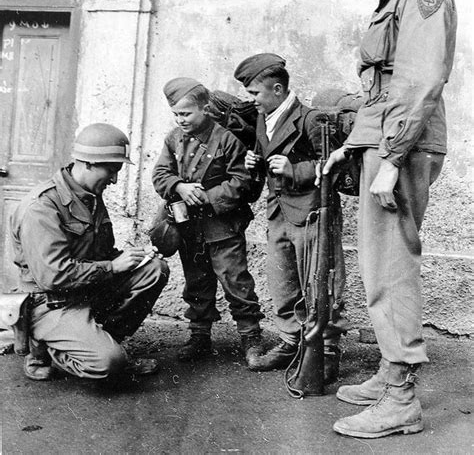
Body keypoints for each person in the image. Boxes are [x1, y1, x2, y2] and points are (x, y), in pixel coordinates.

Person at [323, 0, 457, 438]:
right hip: (385, 142)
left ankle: (401, 398)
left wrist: (393, 158)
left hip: (405, 145)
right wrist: (354, 147)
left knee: (391, 267)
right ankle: (389, 372)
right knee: (381, 263)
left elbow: (421, 81)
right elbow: (381, 88)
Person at [10, 123, 169, 381]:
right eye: (112, 170)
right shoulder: (41, 207)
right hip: (52, 304)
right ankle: (50, 350)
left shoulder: (90, 196)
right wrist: (113, 267)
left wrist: (134, 259)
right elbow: (53, 276)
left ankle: (98, 343)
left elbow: (100, 254)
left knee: (154, 270)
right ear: (89, 163)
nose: (115, 180)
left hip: (85, 291)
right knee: (109, 364)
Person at [234, 53, 348, 381]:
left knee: (320, 282)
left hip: (313, 211)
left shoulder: (310, 120)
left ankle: (326, 351)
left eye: (255, 93)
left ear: (279, 89)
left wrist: (294, 169)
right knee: (281, 281)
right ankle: (289, 341)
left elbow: (336, 167)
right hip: (278, 211)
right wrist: (254, 164)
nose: (250, 99)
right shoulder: (263, 117)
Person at [152, 77, 265, 368]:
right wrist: (179, 187)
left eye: (186, 113)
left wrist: (207, 196)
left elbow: (242, 181)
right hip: (188, 225)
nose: (181, 119)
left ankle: (251, 339)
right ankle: (199, 337)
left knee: (236, 281)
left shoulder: (226, 139)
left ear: (205, 109)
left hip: (222, 226)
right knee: (197, 282)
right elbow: (160, 173)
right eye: (176, 114)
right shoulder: (173, 138)